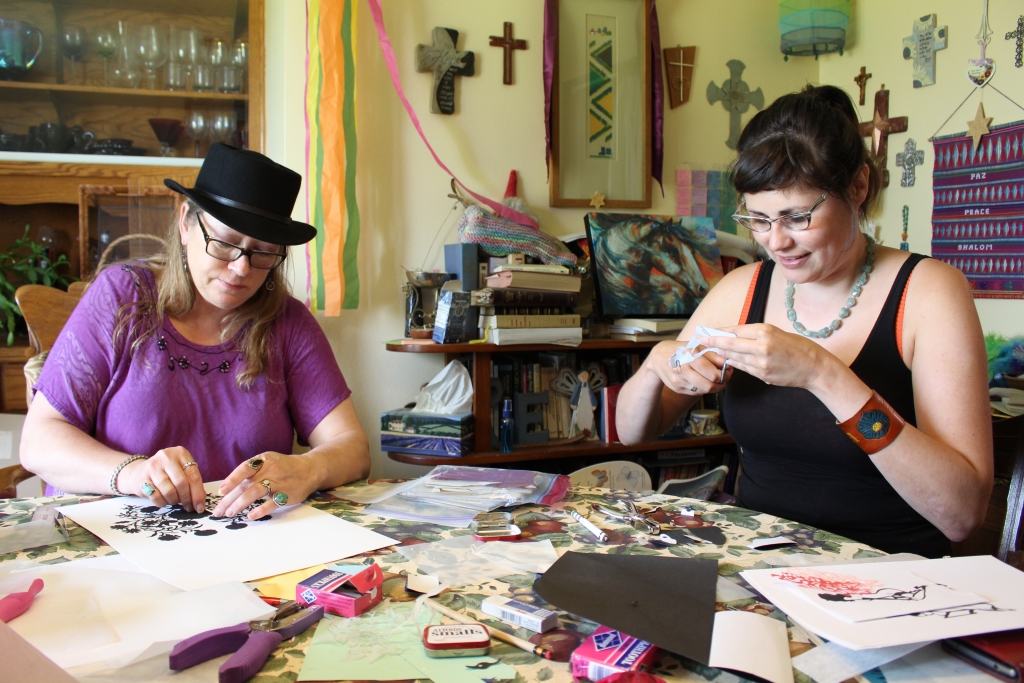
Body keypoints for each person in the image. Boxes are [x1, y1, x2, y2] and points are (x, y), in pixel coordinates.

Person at [617, 85, 993, 558]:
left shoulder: (929, 293)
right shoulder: (743, 289)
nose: (776, 243)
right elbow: (632, 433)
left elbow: (961, 514)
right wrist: (655, 364)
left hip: (890, 581)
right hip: (754, 568)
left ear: (857, 187)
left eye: (797, 218)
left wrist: (823, 374)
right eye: (757, 219)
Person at [21, 143, 370, 521]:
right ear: (186, 222)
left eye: (264, 252)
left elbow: (353, 449)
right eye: (225, 243)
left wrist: (309, 468)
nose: (241, 268)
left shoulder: (287, 323)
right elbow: (39, 442)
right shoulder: (122, 297)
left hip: (241, 547)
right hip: (110, 541)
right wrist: (134, 473)